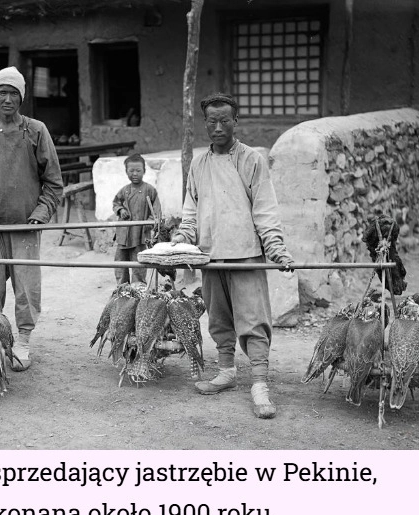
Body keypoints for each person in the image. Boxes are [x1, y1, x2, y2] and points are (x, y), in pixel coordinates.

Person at [171, 93, 294, 419]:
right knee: (219, 318)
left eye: (225, 120)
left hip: (245, 256)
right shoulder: (199, 163)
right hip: (210, 256)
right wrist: (183, 238)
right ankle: (226, 370)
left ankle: (259, 384)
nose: (218, 127)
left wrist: (277, 249)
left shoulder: (251, 160)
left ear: (235, 121)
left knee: (253, 321)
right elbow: (191, 210)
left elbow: (266, 210)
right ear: (205, 123)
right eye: (211, 121)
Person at [0, 66, 63, 371]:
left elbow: (54, 182)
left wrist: (40, 213)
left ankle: (22, 342)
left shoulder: (36, 130)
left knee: (26, 288)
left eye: (13, 93)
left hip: (25, 228)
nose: (7, 98)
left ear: (21, 98)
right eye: (1, 92)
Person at [112, 153, 161, 285]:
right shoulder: (124, 190)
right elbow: (116, 203)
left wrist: (149, 224)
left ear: (144, 171)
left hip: (139, 234)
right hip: (123, 234)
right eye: (131, 170)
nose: (135, 174)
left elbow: (156, 212)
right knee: (120, 262)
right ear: (126, 172)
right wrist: (121, 210)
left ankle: (138, 286)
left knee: (138, 261)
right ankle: (122, 288)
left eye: (138, 170)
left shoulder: (150, 190)